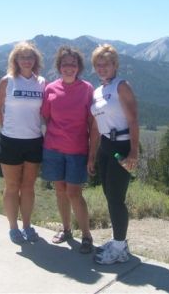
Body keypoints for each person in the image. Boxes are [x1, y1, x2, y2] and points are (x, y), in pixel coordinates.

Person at [88, 44, 139, 264]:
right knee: (110, 196)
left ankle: (119, 249)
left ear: (114, 65)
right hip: (106, 147)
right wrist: (92, 156)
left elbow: (133, 120)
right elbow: (96, 126)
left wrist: (134, 153)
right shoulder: (97, 91)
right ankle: (118, 241)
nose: (102, 68)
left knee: (117, 199)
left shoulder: (121, 86)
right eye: (98, 65)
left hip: (122, 147)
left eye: (106, 64)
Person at [41, 46, 95, 254]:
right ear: (59, 67)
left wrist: (92, 153)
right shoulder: (50, 89)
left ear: (79, 67)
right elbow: (46, 116)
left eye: (73, 64)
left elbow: (92, 122)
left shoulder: (87, 89)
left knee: (74, 193)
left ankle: (87, 235)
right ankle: (66, 229)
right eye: (65, 64)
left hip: (77, 150)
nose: (69, 68)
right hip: (53, 149)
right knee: (60, 191)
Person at [0, 41, 46, 244]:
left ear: (35, 60)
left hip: (34, 141)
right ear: (15, 60)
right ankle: (13, 228)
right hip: (10, 142)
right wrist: (6, 128)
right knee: (12, 186)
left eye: (30, 57)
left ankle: (27, 225)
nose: (26, 60)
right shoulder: (7, 81)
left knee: (29, 186)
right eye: (22, 57)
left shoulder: (41, 82)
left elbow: (45, 111)